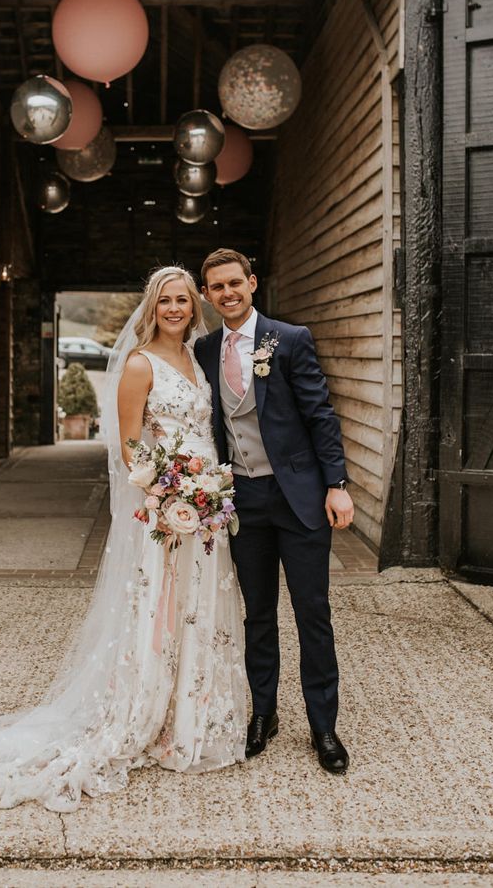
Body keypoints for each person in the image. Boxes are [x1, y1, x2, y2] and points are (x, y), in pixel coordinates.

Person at [0, 266, 246, 812]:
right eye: (165, 300)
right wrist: (172, 495)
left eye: (182, 300)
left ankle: (188, 715)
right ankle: (147, 712)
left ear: (195, 307)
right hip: (169, 510)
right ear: (152, 307)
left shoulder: (195, 360)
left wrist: (208, 491)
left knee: (196, 611)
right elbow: (129, 448)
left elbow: (203, 433)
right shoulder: (138, 363)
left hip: (205, 512)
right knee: (161, 613)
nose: (175, 308)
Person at [195, 248, 353, 774]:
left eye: (235, 283)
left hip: (299, 497)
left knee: (313, 613)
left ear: (252, 283)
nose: (227, 293)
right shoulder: (204, 349)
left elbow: (320, 415)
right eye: (217, 287)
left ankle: (323, 725)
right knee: (258, 614)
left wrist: (336, 484)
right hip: (243, 498)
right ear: (207, 294)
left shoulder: (289, 339)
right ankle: (264, 713)